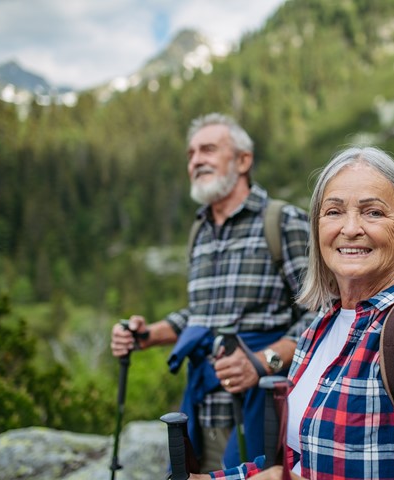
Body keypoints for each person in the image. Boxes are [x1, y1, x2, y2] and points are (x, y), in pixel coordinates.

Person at [194, 145, 394, 479]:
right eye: (334, 212)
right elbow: (294, 462)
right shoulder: (319, 329)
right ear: (317, 228)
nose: (350, 228)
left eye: (373, 213)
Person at [110, 113, 314, 473]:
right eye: (190, 153)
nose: (195, 160)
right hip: (201, 411)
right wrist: (147, 335)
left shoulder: (282, 222)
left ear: (243, 160)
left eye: (208, 149)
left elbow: (320, 315)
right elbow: (201, 314)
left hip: (264, 411)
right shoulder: (200, 232)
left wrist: (262, 361)